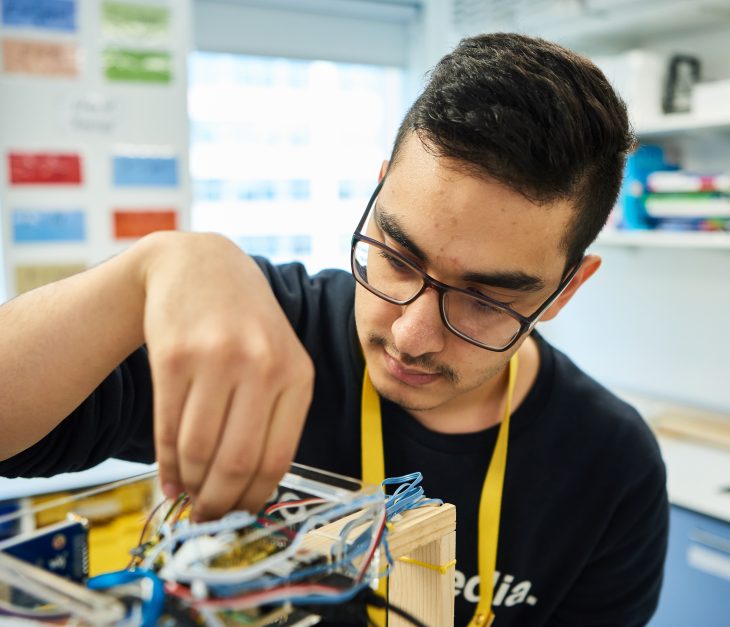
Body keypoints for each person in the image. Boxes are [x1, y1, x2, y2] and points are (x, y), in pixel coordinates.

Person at [0, 33, 667, 626]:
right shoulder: (260, 332)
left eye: (485, 300)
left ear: (565, 288)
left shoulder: (611, 466)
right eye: (398, 257)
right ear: (376, 196)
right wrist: (144, 272)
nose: (411, 333)